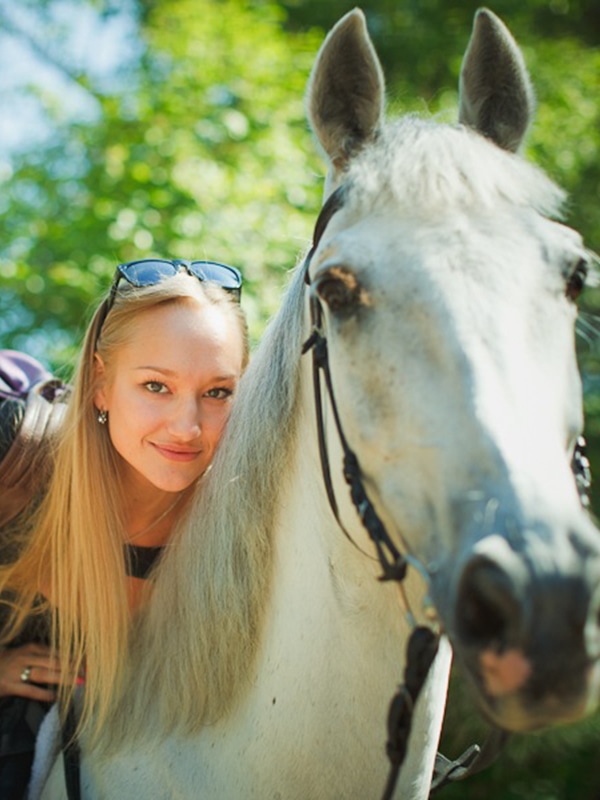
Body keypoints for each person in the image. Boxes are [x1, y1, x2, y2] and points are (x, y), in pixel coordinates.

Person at [0, 258, 248, 795]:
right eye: (156, 386)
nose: (187, 428)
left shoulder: (238, 522)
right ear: (100, 385)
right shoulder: (15, 460)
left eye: (218, 392)